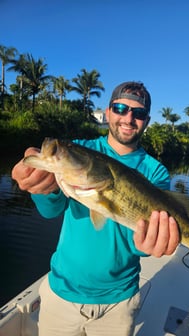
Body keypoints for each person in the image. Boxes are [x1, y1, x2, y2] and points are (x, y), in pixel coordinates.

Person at [12, 81, 180, 336]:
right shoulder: (84, 149)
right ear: (109, 111)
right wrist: (40, 185)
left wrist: (150, 244)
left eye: (139, 113)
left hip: (118, 302)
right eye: (121, 108)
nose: (128, 117)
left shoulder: (155, 171)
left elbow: (139, 245)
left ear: (146, 121)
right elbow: (50, 210)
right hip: (62, 294)